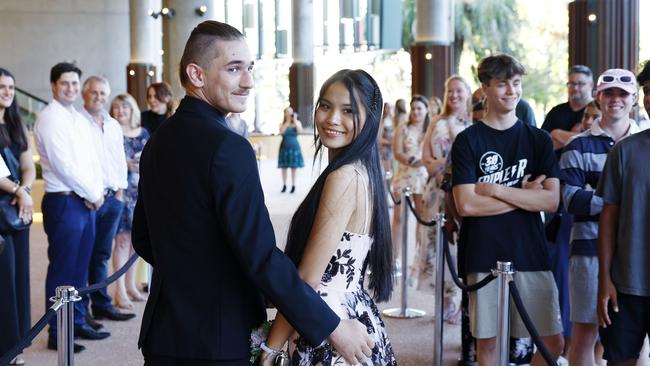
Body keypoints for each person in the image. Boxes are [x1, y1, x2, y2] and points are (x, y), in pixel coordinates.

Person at [132, 20, 374, 365]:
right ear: (196, 75)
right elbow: (259, 256)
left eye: (250, 69)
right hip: (218, 340)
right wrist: (332, 326)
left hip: (164, 333)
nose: (248, 82)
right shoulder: (229, 147)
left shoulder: (158, 140)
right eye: (234, 69)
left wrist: (192, 273)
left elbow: (143, 237)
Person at [262, 69, 396, 365]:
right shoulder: (360, 169)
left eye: (348, 111)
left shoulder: (345, 176)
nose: (332, 118)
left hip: (328, 324)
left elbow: (308, 279)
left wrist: (270, 349)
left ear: (371, 118)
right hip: (346, 312)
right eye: (325, 106)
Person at [451, 54, 564, 365]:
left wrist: (498, 190)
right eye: (502, 84)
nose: (511, 91)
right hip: (483, 252)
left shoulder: (538, 140)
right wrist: (523, 196)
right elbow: (466, 204)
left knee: (551, 341)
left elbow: (551, 201)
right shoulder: (467, 141)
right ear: (485, 88)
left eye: (516, 84)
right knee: (488, 344)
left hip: (530, 251)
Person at [561, 69, 640, 366]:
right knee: (585, 334)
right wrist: (625, 203)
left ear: (634, 99)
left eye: (623, 94)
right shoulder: (577, 145)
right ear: (598, 97)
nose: (615, 100)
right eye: (609, 93)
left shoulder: (644, 144)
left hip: (637, 256)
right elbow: (569, 198)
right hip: (587, 252)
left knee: (637, 337)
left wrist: (597, 195)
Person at [34, 62, 107, 353]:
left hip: (84, 199)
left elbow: (90, 160)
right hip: (64, 200)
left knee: (80, 269)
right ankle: (57, 333)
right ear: (54, 85)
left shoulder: (76, 118)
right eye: (65, 83)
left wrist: (95, 192)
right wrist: (93, 193)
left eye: (75, 84)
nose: (71, 89)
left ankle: (76, 323)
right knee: (63, 270)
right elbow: (64, 166)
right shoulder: (50, 118)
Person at [595, 68, 649, 366]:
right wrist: (605, 280)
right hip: (627, 284)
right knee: (619, 359)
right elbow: (609, 218)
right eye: (649, 91)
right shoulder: (624, 151)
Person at [542, 64, 594, 348]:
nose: (576, 88)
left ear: (591, 86)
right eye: (572, 83)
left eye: (581, 84)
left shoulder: (597, 112)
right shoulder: (557, 111)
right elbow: (545, 140)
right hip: (558, 201)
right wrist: (568, 135)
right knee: (559, 267)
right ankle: (559, 334)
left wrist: (563, 136)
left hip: (588, 211)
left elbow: (562, 139)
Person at [80, 76, 135, 326]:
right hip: (89, 200)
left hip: (114, 199)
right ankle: (83, 310)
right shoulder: (77, 122)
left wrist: (121, 190)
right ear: (85, 93)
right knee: (84, 256)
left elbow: (117, 158)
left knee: (101, 254)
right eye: (94, 92)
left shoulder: (112, 125)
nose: (99, 97)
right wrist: (92, 193)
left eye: (103, 93)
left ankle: (102, 304)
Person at [417, 75, 472, 324]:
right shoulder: (435, 121)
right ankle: (442, 298)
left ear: (468, 92)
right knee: (433, 245)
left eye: (459, 90)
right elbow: (425, 157)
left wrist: (447, 166)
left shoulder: (473, 123)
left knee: (457, 246)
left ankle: (459, 300)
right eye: (450, 91)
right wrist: (440, 165)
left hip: (461, 191)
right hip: (435, 192)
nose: (454, 95)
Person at [0, 67, 36, 366]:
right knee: (3, 279)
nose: (7, 92)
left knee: (17, 279)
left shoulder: (16, 122)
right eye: (1, 87)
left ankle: (14, 348)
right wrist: (19, 191)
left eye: (11, 87)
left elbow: (27, 163)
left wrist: (23, 188)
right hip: (4, 205)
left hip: (15, 207)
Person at [110, 93, 150, 310]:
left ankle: (131, 285)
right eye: (116, 107)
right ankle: (119, 291)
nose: (120, 111)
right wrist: (124, 163)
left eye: (124, 107)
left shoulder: (144, 133)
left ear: (132, 109)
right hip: (121, 194)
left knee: (136, 243)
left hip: (141, 193)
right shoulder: (111, 133)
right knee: (122, 242)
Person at [391, 95, 428, 274]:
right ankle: (394, 258)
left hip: (423, 176)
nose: (416, 112)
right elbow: (397, 152)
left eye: (419, 108)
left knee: (422, 217)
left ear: (426, 110)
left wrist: (423, 162)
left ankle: (418, 259)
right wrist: (412, 161)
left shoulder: (430, 128)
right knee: (399, 217)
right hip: (405, 174)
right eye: (413, 108)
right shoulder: (402, 128)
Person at [277, 107, 304, 193]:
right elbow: (281, 132)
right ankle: (284, 185)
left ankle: (293, 185)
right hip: (284, 148)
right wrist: (288, 121)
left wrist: (295, 120)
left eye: (291, 112)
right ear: (285, 114)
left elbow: (300, 131)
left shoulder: (297, 122)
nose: (289, 113)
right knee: (284, 167)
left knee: (294, 167)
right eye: (287, 112)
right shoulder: (282, 123)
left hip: (294, 147)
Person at [378, 102, 395, 176]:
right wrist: (390, 142)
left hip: (393, 148)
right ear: (384, 109)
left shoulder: (393, 119)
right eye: (387, 107)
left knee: (393, 171)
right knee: (387, 173)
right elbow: (379, 138)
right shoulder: (382, 121)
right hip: (385, 149)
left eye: (391, 107)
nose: (389, 109)